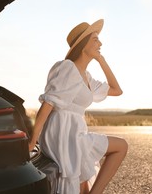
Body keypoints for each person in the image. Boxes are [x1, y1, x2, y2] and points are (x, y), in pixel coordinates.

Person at [29, 19, 128, 194]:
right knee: (121, 146)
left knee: (82, 185)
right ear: (83, 44)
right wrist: (32, 140)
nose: (100, 43)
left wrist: (101, 60)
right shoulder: (67, 67)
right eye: (95, 39)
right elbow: (48, 103)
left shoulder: (86, 77)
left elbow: (116, 90)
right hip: (64, 134)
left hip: (76, 133)